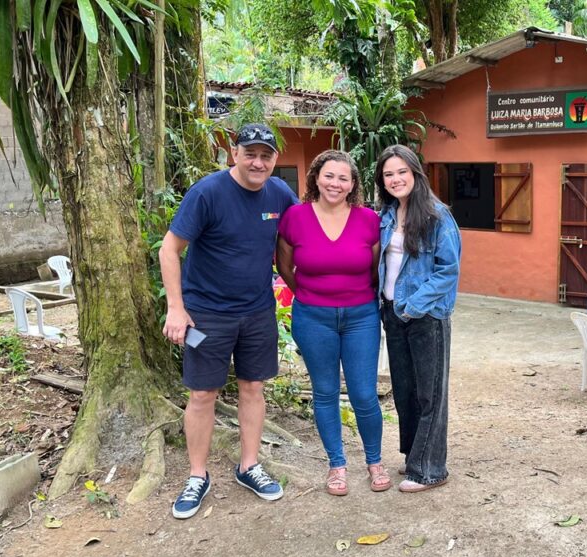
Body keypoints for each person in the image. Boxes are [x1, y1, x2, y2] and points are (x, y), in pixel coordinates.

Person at [160, 123, 297, 519]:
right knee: (203, 394)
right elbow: (170, 250)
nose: (258, 162)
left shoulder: (279, 194)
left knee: (253, 386)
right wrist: (176, 307)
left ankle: (248, 465)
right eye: (250, 153)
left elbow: (300, 235)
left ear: (274, 160)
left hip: (257, 312)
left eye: (266, 155)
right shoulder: (207, 193)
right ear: (233, 153)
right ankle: (197, 475)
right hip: (207, 314)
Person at [275, 150, 388, 496]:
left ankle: (374, 461)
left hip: (361, 317)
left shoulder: (368, 220)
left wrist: (350, 298)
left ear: (353, 184)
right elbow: (284, 266)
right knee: (325, 393)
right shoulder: (295, 217)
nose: (335, 184)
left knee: (365, 395)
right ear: (315, 178)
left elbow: (374, 271)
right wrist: (311, 295)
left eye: (343, 178)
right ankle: (336, 465)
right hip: (313, 317)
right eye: (329, 176)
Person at [375, 145, 462, 493]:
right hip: (393, 315)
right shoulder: (387, 214)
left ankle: (430, 469)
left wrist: (413, 304)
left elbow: (448, 270)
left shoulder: (438, 216)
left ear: (415, 173)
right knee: (405, 392)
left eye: (401, 172)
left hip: (425, 316)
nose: (396, 179)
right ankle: (414, 457)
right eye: (388, 174)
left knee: (430, 394)